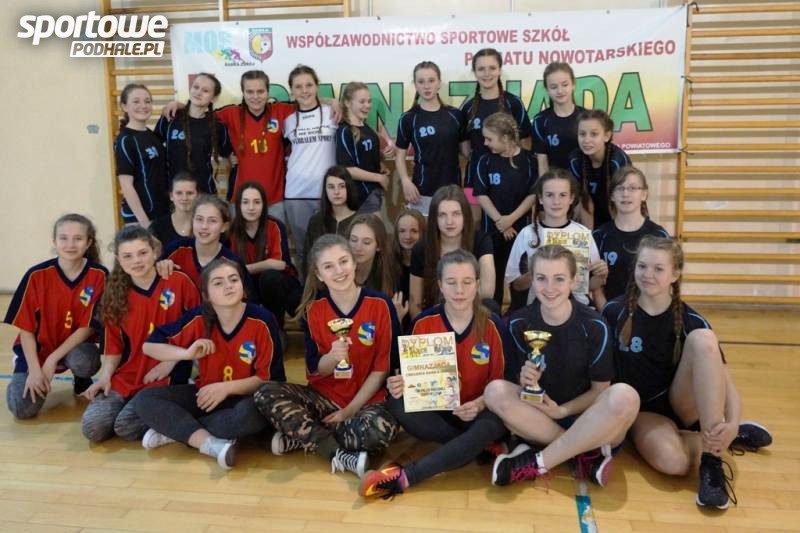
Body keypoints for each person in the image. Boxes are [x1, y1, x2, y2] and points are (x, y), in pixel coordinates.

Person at [603, 235, 772, 509]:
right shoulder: (614, 311)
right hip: (643, 411)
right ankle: (721, 436)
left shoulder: (691, 320)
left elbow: (725, 382)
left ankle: (712, 459)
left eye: (658, 269)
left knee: (704, 340)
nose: (648, 274)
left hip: (682, 403)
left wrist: (733, 420)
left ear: (675, 274)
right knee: (674, 462)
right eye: (642, 266)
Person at [484, 245, 640, 488]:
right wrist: (525, 380)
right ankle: (584, 456)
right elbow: (519, 387)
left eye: (559, 279)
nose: (549, 288)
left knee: (626, 396)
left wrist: (562, 411)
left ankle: (537, 462)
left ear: (573, 280)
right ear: (532, 280)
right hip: (540, 420)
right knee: (494, 391)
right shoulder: (518, 322)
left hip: (588, 419)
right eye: (541, 278)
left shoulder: (595, 325)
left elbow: (600, 390)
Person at [360, 250, 510, 498]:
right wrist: (401, 383)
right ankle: (474, 446)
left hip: (480, 413)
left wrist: (480, 403)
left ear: (477, 285)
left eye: (467, 282)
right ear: (440, 285)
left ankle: (405, 477)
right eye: (451, 282)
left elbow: (503, 385)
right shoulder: (423, 323)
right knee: (396, 402)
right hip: (440, 414)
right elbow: (413, 378)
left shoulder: (493, 325)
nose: (459, 290)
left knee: (495, 421)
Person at [253, 234, 400, 478]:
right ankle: (334, 451)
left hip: (366, 400)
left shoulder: (381, 304)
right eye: (328, 266)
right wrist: (333, 356)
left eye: (343, 261)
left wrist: (350, 410)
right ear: (319, 275)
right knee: (264, 393)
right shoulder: (313, 310)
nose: (339, 271)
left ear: (354, 263)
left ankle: (303, 436)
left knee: (380, 431)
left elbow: (381, 369)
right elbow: (317, 369)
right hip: (324, 398)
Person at [133, 258, 285, 469]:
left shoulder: (262, 319)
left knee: (249, 417)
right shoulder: (199, 317)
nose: (228, 286)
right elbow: (149, 346)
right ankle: (207, 442)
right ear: (206, 295)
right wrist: (186, 354)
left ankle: (178, 431)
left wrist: (225, 388)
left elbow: (269, 380)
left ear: (243, 287)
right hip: (206, 396)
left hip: (246, 398)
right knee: (144, 400)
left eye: (234, 279)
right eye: (218, 283)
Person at [81, 226, 200, 442]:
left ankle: (175, 414)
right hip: (129, 373)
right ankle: (146, 408)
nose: (136, 261)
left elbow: (200, 326)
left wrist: (170, 362)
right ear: (118, 259)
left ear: (155, 252)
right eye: (127, 256)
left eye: (142, 253)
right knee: (93, 429)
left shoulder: (179, 281)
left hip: (167, 373)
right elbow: (113, 348)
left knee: (126, 427)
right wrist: (104, 377)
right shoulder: (114, 293)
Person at [4, 214, 106, 419]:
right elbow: (26, 330)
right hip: (37, 349)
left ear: (88, 242)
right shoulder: (36, 275)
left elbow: (88, 327)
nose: (70, 244)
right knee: (22, 409)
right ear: (54, 241)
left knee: (87, 361)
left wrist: (52, 360)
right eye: (63, 238)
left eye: (78, 238)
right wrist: (35, 370)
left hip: (73, 348)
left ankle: (81, 379)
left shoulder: (99, 275)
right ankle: (21, 371)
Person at [505, 169, 605, 312]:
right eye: (549, 195)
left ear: (571, 198)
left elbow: (588, 285)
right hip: (537, 309)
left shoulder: (582, 234)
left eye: (563, 195)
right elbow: (516, 285)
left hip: (577, 309)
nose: (556, 201)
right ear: (540, 198)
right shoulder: (527, 234)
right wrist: (540, 271)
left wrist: (601, 275)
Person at [475, 112, 537, 307]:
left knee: (520, 279)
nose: (485, 143)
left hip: (521, 232)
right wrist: (500, 222)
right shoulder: (485, 161)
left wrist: (510, 219)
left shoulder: (529, 160)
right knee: (494, 281)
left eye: (489, 139)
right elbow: (481, 195)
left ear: (505, 138)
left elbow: (533, 195)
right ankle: (491, 318)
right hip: (492, 231)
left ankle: (519, 316)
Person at [461, 48, 532, 219]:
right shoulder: (468, 108)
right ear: (474, 72)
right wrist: (481, 161)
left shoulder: (513, 103)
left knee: (511, 224)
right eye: (481, 69)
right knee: (474, 224)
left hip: (511, 177)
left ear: (499, 70)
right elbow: (464, 148)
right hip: (474, 178)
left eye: (492, 68)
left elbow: (525, 143)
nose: (487, 73)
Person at [409, 185, 495, 319]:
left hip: (472, 313)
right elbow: (415, 304)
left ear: (465, 215)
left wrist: (456, 304)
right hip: (435, 316)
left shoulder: (481, 240)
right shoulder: (421, 248)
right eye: (442, 215)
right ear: (434, 218)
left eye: (456, 214)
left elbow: (487, 291)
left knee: (490, 306)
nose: (449, 221)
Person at [592, 166, 669, 308]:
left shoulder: (658, 235)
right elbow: (594, 287)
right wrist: (608, 314)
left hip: (648, 312)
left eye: (633, 188)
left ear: (644, 194)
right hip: (608, 312)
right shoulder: (599, 235)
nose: (625, 194)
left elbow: (665, 281)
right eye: (620, 188)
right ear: (612, 196)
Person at [395, 61, 466, 215]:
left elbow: (466, 152)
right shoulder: (408, 118)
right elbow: (399, 156)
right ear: (415, 85)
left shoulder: (456, 115)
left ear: (439, 83)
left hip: (452, 191)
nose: (426, 86)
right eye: (421, 82)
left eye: (431, 81)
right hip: (422, 192)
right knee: (424, 231)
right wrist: (405, 180)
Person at [283, 65, 338, 262]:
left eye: (309, 85)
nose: (304, 90)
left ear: (317, 87)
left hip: (329, 194)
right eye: (298, 87)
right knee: (303, 250)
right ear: (291, 91)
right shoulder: (287, 119)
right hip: (296, 194)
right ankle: (306, 284)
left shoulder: (333, 112)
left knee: (332, 250)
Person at [228, 181, 301, 326]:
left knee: (269, 277)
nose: (251, 207)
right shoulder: (231, 230)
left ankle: (277, 326)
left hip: (279, 283)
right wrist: (265, 264)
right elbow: (228, 268)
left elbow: (279, 265)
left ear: (264, 205)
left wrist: (244, 268)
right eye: (245, 202)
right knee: (240, 282)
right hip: (248, 283)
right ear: (238, 205)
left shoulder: (274, 225)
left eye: (256, 202)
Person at [157, 194, 254, 297]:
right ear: (192, 221)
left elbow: (250, 303)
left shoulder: (233, 263)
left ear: (224, 227)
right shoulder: (176, 250)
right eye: (199, 219)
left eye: (212, 221)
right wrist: (159, 265)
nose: (204, 226)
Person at [155, 72, 232, 194]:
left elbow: (228, 156)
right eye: (196, 87)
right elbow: (154, 147)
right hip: (174, 192)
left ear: (213, 98)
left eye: (205, 90)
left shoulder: (218, 126)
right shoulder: (171, 116)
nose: (198, 92)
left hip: (203, 192)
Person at [336, 82, 394, 213]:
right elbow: (347, 169)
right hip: (360, 196)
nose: (367, 105)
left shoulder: (367, 128)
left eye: (369, 101)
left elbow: (365, 158)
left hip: (374, 192)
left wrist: (381, 160)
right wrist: (378, 177)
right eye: (362, 101)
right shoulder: (345, 131)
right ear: (347, 103)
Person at [115, 84, 169, 225]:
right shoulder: (125, 140)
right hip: (140, 219)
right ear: (124, 106)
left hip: (161, 213)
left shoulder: (151, 135)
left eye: (147, 101)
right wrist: (144, 223)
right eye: (136, 101)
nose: (143, 106)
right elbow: (126, 185)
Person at [568, 109, 631, 229]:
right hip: (590, 217)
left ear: (607, 136)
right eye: (582, 134)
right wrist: (589, 236)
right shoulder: (575, 159)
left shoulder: (617, 161)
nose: (586, 140)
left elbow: (625, 201)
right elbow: (584, 202)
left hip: (619, 215)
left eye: (594, 134)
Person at [302, 165, 360, 275]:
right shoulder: (316, 221)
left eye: (341, 186)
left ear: (349, 188)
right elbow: (308, 259)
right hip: (321, 280)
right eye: (331, 187)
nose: (336, 192)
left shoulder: (360, 220)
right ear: (325, 190)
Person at [532, 62, 585, 174]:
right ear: (547, 89)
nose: (560, 91)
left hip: (583, 181)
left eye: (565, 85)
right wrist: (545, 185)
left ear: (573, 84)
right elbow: (543, 164)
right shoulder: (540, 121)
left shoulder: (587, 117)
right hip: (554, 182)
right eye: (554, 87)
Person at [390, 208, 425, 331]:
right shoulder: (389, 262)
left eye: (414, 231)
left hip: (423, 325)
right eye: (402, 231)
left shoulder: (430, 263)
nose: (407, 236)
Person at [148, 172, 199, 248]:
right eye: (179, 193)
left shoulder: (205, 225)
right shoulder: (157, 227)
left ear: (198, 195)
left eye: (190, 193)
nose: (184, 198)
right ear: (171, 196)